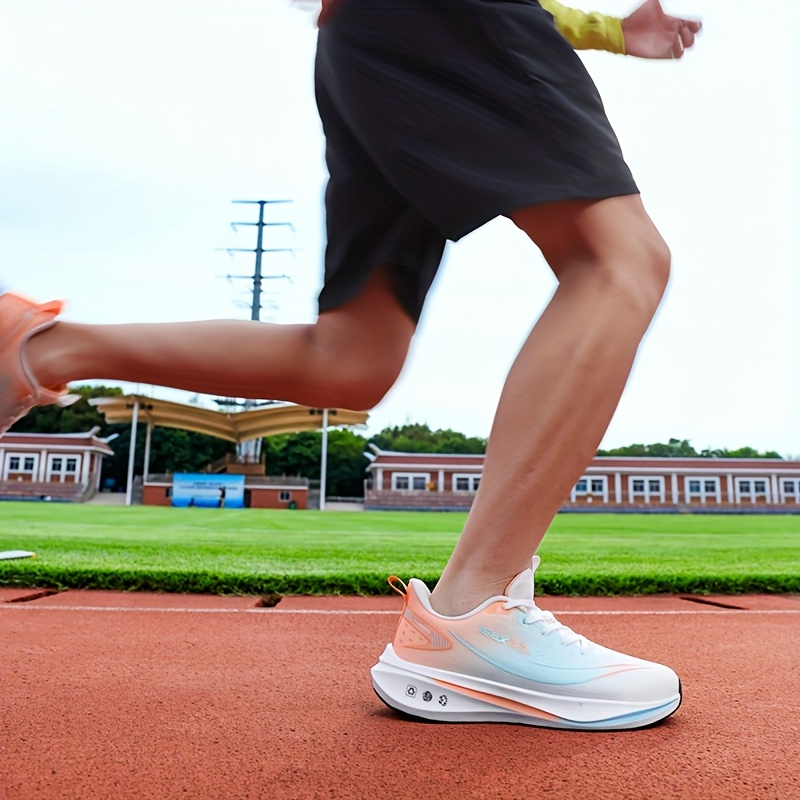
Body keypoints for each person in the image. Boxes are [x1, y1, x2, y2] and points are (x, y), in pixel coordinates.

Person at [0, 0, 700, 730]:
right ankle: (474, 615)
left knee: (352, 360)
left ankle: (36, 345)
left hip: (367, 40)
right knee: (619, 261)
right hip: (452, 18)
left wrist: (608, 32)